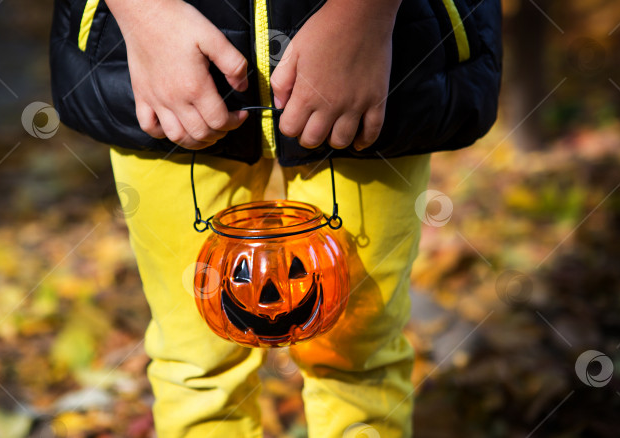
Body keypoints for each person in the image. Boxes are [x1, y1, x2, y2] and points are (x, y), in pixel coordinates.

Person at [50, 0, 502, 436]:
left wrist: (363, 15)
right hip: (170, 72)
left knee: (359, 354)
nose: (266, 299)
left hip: (369, 63)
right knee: (195, 363)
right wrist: (146, 16)